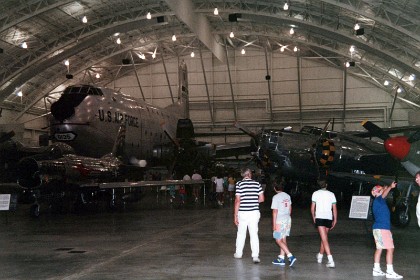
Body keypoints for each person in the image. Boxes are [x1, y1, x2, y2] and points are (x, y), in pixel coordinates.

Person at [371, 183, 403, 279]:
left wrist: (386, 188)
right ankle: (390, 272)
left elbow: (383, 193)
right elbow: (384, 194)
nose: (383, 191)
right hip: (382, 228)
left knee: (379, 248)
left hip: (379, 228)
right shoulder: (379, 200)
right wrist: (390, 187)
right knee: (390, 248)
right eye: (380, 190)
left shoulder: (379, 201)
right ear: (377, 192)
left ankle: (376, 270)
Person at [233, 168, 265, 264]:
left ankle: (238, 253)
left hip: (242, 212)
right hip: (254, 212)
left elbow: (238, 200)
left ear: (243, 175)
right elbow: (262, 199)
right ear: (250, 174)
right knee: (254, 234)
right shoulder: (257, 184)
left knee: (241, 233)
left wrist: (235, 215)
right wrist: (254, 202)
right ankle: (255, 256)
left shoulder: (239, 184)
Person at [311, 180, 337, 268]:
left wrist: (313, 216)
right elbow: (334, 208)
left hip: (320, 217)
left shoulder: (315, 193)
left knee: (324, 239)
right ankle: (320, 256)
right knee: (324, 238)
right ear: (326, 185)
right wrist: (335, 219)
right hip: (328, 218)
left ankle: (331, 260)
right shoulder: (332, 194)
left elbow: (312, 208)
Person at [271, 180, 297, 267]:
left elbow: (275, 212)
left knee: (278, 240)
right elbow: (290, 208)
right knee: (283, 239)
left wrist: (274, 225)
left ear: (274, 188)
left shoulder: (276, 197)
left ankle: (290, 256)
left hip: (279, 221)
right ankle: (281, 258)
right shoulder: (287, 196)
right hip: (287, 219)